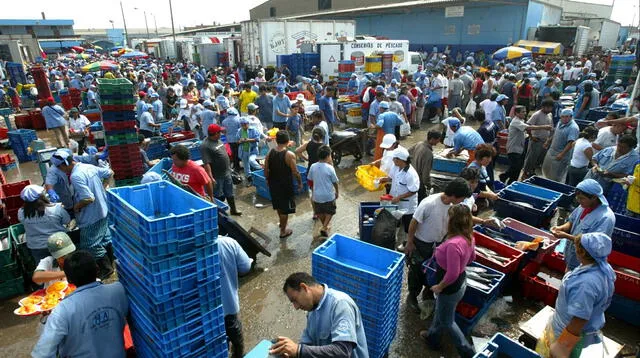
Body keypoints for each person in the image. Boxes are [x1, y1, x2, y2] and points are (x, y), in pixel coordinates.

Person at [31, 251, 128, 358]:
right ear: (97, 269)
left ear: (69, 280)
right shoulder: (118, 290)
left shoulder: (62, 310)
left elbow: (43, 353)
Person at [536, 232, 615, 357]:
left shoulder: (586, 284)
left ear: (582, 253)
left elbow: (580, 318)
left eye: (576, 247)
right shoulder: (599, 267)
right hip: (566, 323)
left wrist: (562, 347)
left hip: (566, 333)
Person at [405, 178, 472, 312]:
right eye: (462, 198)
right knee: (417, 270)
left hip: (440, 243)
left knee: (434, 271)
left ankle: (428, 292)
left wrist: (482, 221)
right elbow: (414, 222)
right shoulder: (429, 203)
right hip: (422, 243)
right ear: (454, 195)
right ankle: (412, 296)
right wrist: (410, 242)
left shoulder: (455, 206)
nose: (463, 201)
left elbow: (464, 218)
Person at [269, 272, 369, 358]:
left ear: (304, 288)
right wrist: (291, 353)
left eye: (295, 300)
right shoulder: (312, 310)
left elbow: (343, 351)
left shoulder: (340, 304)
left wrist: (298, 350)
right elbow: (307, 344)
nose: (296, 307)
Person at [421, 204, 476, 358]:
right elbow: (472, 258)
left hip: (449, 288)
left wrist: (440, 286)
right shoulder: (469, 236)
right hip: (461, 283)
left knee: (447, 321)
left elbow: (452, 272)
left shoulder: (453, 245)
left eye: (449, 215)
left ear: (453, 221)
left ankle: (467, 351)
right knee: (441, 311)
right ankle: (433, 338)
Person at [51, 150, 114, 279]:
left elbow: (88, 198)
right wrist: (104, 185)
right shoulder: (87, 167)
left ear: (63, 165)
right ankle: (112, 263)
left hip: (91, 216)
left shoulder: (75, 176)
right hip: (103, 210)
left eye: (59, 167)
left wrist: (76, 207)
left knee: (90, 245)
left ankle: (106, 269)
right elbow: (110, 172)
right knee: (105, 239)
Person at [550, 179, 615, 271]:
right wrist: (560, 228)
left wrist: (566, 236)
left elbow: (593, 243)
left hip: (586, 265)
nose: (578, 200)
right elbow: (572, 221)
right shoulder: (583, 206)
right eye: (577, 197)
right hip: (572, 256)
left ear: (594, 197)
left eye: (581, 198)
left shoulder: (606, 218)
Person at [218, 235, 253, 357]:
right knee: (236, 339)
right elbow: (245, 267)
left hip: (200, 314)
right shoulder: (228, 243)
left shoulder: (183, 251)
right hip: (228, 307)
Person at [18, 185, 71, 264]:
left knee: (45, 268)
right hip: (59, 243)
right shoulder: (56, 208)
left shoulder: (21, 213)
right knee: (66, 266)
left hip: (36, 246)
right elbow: (67, 221)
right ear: (42, 196)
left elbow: (23, 222)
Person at [500, 105, 552, 184]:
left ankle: (511, 182)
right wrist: (544, 127)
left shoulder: (521, 120)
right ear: (517, 113)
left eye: (525, 111)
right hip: (513, 148)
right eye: (523, 112)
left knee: (518, 167)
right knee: (515, 166)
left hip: (520, 147)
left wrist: (531, 136)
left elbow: (527, 129)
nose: (525, 113)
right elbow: (529, 127)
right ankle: (504, 176)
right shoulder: (516, 122)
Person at [265, 131, 302, 238]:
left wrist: (267, 180)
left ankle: (282, 224)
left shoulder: (270, 153)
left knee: (278, 206)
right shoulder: (289, 155)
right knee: (285, 209)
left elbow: (266, 170)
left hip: (273, 184)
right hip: (285, 186)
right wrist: (300, 183)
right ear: (287, 141)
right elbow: (295, 172)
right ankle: (283, 231)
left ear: (276, 140)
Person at [201, 124, 242, 216]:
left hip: (226, 173)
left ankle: (233, 210)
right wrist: (211, 178)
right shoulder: (205, 145)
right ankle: (219, 215)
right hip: (217, 176)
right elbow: (206, 164)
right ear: (215, 133)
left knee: (230, 193)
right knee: (218, 196)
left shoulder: (218, 140)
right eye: (220, 132)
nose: (222, 133)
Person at [307, 145, 339, 238]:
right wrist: (337, 191)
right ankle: (324, 227)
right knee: (330, 211)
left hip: (317, 196)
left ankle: (324, 226)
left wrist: (313, 191)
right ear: (328, 156)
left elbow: (310, 180)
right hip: (328, 195)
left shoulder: (313, 166)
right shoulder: (330, 168)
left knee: (319, 212)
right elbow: (335, 182)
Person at [542, 108, 580, 182]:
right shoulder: (560, 122)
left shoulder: (573, 128)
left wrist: (562, 154)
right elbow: (556, 133)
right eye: (562, 116)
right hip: (552, 150)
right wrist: (548, 141)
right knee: (545, 169)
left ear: (571, 117)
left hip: (560, 154)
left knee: (555, 175)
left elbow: (570, 143)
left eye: (566, 116)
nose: (564, 118)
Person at [522, 99, 554, 178]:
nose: (549, 109)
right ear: (543, 107)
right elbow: (528, 126)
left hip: (544, 141)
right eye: (548, 108)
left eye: (550, 108)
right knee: (531, 158)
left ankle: (532, 171)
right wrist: (531, 137)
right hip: (536, 140)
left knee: (539, 158)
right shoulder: (536, 115)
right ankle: (525, 173)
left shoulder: (549, 114)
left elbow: (551, 126)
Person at [410, 130, 441, 202]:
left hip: (412, 179)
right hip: (419, 184)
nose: (438, 142)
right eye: (438, 140)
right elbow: (425, 175)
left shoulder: (419, 144)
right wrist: (429, 185)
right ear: (432, 139)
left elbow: (407, 155)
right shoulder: (428, 154)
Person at [237, 117, 262, 184]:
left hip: (252, 150)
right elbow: (237, 141)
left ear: (248, 124)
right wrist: (240, 141)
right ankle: (250, 179)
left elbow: (257, 139)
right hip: (243, 151)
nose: (244, 126)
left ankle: (262, 169)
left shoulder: (253, 130)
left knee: (251, 160)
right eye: (242, 125)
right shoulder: (239, 131)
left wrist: (248, 140)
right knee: (246, 166)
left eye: (245, 124)